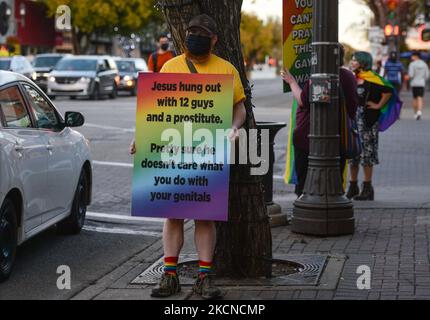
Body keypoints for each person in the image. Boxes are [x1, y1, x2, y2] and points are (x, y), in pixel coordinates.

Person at [130, 14, 246, 299]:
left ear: (214, 39)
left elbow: (240, 108)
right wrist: (142, 137)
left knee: (205, 217)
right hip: (173, 152)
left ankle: (204, 277)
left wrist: (233, 128)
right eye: (192, 32)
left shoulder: (226, 68)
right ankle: (170, 275)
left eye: (202, 33)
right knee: (173, 214)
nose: (195, 37)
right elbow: (156, 110)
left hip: (208, 151)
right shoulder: (170, 66)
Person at [282, 45, 359, 197]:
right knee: (333, 185)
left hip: (308, 140)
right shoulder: (349, 76)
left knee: (304, 186)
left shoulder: (320, 77)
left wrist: (292, 82)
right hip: (340, 138)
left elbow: (303, 101)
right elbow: (353, 107)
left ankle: (305, 210)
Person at [346, 51, 393, 201]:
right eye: (352, 60)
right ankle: (353, 187)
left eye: (355, 60)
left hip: (367, 122)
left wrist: (378, 105)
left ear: (363, 62)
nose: (352, 63)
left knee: (367, 155)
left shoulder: (372, 79)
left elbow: (389, 90)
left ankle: (367, 188)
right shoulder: (352, 78)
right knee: (352, 154)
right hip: (352, 121)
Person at [408, 51, 429, 120]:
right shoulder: (424, 64)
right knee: (420, 98)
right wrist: (423, 79)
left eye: (412, 56)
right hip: (421, 83)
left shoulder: (412, 64)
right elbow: (427, 75)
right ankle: (419, 112)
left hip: (414, 83)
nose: (411, 57)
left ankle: (415, 113)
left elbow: (411, 75)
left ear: (416, 56)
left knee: (414, 98)